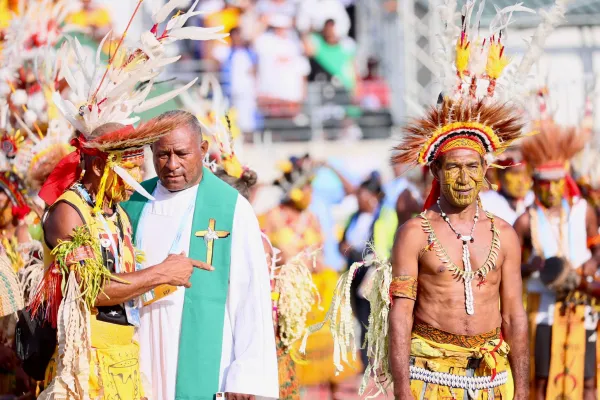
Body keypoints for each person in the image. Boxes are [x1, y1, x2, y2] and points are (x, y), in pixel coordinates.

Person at [123, 110, 278, 400]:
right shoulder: (133, 200)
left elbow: (250, 297)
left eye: (182, 154)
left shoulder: (230, 208)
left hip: (204, 354)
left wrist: (245, 375)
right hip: (138, 344)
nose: (172, 164)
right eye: (162, 154)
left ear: (202, 150)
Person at [260, 157, 360, 397]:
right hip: (289, 295)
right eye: (306, 188)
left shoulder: (311, 217)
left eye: (311, 188)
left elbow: (320, 252)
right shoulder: (270, 217)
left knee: (329, 350)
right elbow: (263, 254)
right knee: (293, 354)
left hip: (319, 292)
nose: (310, 193)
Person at [513, 120, 599, 400]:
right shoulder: (525, 220)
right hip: (544, 306)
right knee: (542, 377)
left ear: (565, 181)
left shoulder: (583, 211)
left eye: (557, 184)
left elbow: (597, 247)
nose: (551, 191)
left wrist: (592, 264)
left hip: (583, 301)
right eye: (545, 185)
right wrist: (530, 266)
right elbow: (509, 266)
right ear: (535, 184)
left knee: (587, 378)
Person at [339, 171, 397, 368]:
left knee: (374, 318)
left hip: (375, 273)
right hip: (355, 272)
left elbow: (388, 243)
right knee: (360, 317)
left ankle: (377, 362)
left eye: (361, 196)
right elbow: (343, 241)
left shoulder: (386, 217)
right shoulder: (354, 217)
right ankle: (366, 363)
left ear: (372, 197)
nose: (358, 200)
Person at [254, 14, 310, 117]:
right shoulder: (265, 40)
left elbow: (308, 56)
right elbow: (253, 41)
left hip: (291, 96)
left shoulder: (294, 43)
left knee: (290, 126)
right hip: (270, 94)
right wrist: (263, 24)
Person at [213, 26, 259, 135]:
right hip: (230, 91)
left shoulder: (250, 53)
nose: (238, 38)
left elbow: (255, 70)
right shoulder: (226, 52)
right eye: (235, 36)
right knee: (232, 117)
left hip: (248, 91)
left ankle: (248, 138)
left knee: (247, 116)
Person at [480, 149, 535, 225]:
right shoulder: (485, 202)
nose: (522, 181)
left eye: (526, 174)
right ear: (500, 175)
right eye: (515, 174)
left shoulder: (534, 200)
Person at [303, 18, 356, 91]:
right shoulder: (318, 44)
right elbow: (308, 50)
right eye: (328, 29)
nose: (330, 32)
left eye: (332, 29)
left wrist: (355, 88)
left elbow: (353, 68)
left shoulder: (346, 47)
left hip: (345, 88)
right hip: (324, 89)